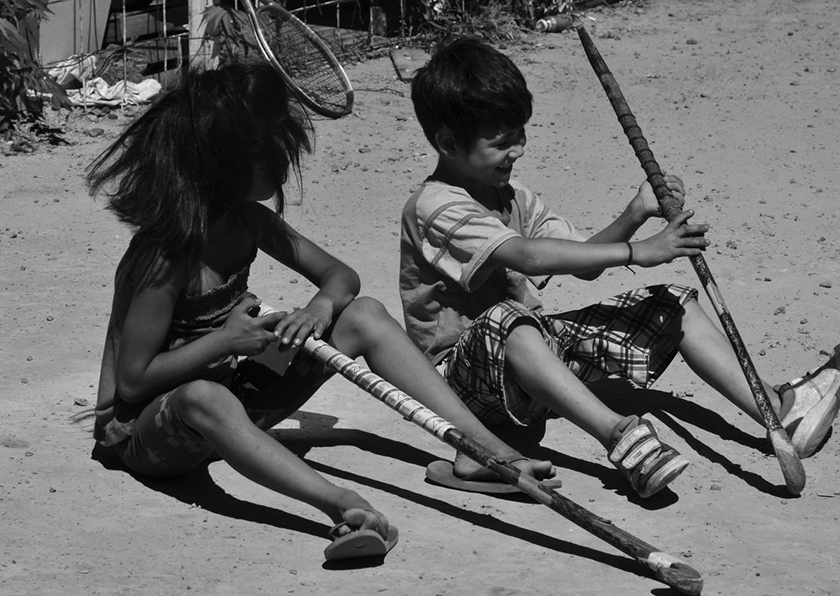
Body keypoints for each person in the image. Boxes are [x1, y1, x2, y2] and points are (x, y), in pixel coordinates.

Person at [87, 62, 556, 562]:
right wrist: (224, 341)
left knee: (363, 315)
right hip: (149, 433)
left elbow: (341, 277)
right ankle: (343, 505)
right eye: (273, 152)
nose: (285, 165)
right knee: (204, 397)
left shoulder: (247, 221)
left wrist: (319, 307)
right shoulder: (166, 253)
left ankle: (481, 449)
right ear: (227, 164)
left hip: (228, 400)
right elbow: (133, 382)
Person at [399, 37, 840, 499]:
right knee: (509, 321)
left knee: (673, 305)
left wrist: (635, 213)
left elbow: (583, 261)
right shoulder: (435, 206)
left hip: (527, 362)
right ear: (448, 143)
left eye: (521, 135)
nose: (519, 150)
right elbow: (526, 256)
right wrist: (638, 252)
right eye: (502, 143)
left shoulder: (513, 196)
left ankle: (778, 411)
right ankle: (622, 439)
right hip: (459, 385)